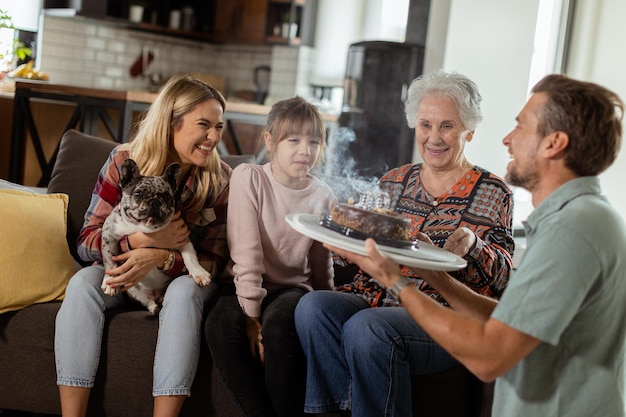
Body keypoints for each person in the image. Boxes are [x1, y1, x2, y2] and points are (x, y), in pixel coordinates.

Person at [328, 74, 626, 417]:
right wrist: (430, 270)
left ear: (553, 143)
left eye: (521, 126)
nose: (507, 139)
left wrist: (397, 281)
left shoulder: (573, 230)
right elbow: (505, 320)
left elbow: (489, 357)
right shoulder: (579, 219)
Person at [295, 70, 515, 417]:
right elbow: (360, 254)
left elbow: (504, 282)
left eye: (447, 126)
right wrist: (337, 240)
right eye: (425, 125)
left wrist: (474, 245)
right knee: (313, 308)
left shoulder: (492, 191)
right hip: (374, 298)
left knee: (366, 328)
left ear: (469, 131)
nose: (434, 138)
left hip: (441, 315)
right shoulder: (395, 181)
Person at [54, 74, 231, 417]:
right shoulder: (123, 161)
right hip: (119, 270)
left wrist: (162, 257)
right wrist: (139, 240)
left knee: (183, 294)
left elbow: (215, 263)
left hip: (179, 280)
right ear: (171, 123)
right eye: (204, 125)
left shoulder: (219, 178)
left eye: (219, 127)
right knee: (81, 285)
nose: (214, 137)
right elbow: (87, 242)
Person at [203, 96, 337, 417]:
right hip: (247, 284)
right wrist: (251, 316)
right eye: (294, 140)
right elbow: (246, 251)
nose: (305, 150)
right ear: (270, 141)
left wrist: (329, 307)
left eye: (314, 141)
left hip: (292, 289)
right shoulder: (249, 178)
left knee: (279, 325)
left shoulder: (323, 195)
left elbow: (322, 262)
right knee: (220, 325)